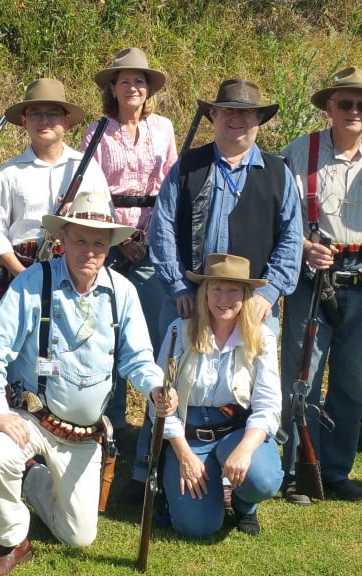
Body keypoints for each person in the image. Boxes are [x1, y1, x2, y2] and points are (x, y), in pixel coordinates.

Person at [0, 190, 174, 576]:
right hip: (33, 419)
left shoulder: (123, 292)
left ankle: (32, 480)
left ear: (109, 246)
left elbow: (137, 359)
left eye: (98, 243)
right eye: (80, 240)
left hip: (84, 433)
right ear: (63, 238)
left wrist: (155, 388)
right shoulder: (33, 283)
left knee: (78, 537)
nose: (89, 251)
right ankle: (15, 541)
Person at [127, 78, 303, 502]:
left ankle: (245, 493)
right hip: (189, 300)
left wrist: (268, 294)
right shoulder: (187, 167)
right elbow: (162, 231)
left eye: (246, 113)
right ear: (214, 117)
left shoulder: (278, 172)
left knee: (253, 392)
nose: (236, 120)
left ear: (258, 121)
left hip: (253, 305)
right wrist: (177, 286)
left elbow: (291, 240)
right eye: (228, 111)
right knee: (168, 387)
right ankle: (149, 473)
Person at [278, 67, 362, 504]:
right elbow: (282, 219)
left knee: (352, 384)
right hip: (312, 285)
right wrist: (304, 250)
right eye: (345, 103)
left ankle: (336, 471)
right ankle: (297, 471)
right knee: (302, 382)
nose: (354, 111)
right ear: (329, 107)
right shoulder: (299, 152)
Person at [83, 47, 178, 431]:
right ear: (112, 87)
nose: (133, 87)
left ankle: (158, 421)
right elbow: (91, 189)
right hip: (109, 243)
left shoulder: (164, 128)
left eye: (140, 80)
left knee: (154, 332)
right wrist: (119, 239)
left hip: (154, 243)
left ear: (148, 88)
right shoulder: (96, 132)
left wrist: (154, 236)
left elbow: (170, 185)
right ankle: (111, 422)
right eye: (125, 81)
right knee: (108, 332)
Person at [160, 254, 283, 537]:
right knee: (198, 527)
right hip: (188, 437)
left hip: (236, 431)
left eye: (233, 290)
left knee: (263, 480)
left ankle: (244, 503)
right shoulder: (179, 331)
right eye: (216, 288)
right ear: (204, 292)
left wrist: (245, 449)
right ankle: (201, 491)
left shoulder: (262, 337)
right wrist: (184, 455)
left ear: (246, 295)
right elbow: (159, 403)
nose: (224, 298)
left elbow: (268, 405)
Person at [0, 77, 109, 300]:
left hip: (77, 267)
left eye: (53, 114)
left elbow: (107, 223)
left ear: (66, 121)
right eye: (35, 114)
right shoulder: (9, 172)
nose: (44, 120)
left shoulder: (88, 168)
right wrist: (23, 275)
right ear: (24, 121)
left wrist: (80, 214)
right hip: (20, 269)